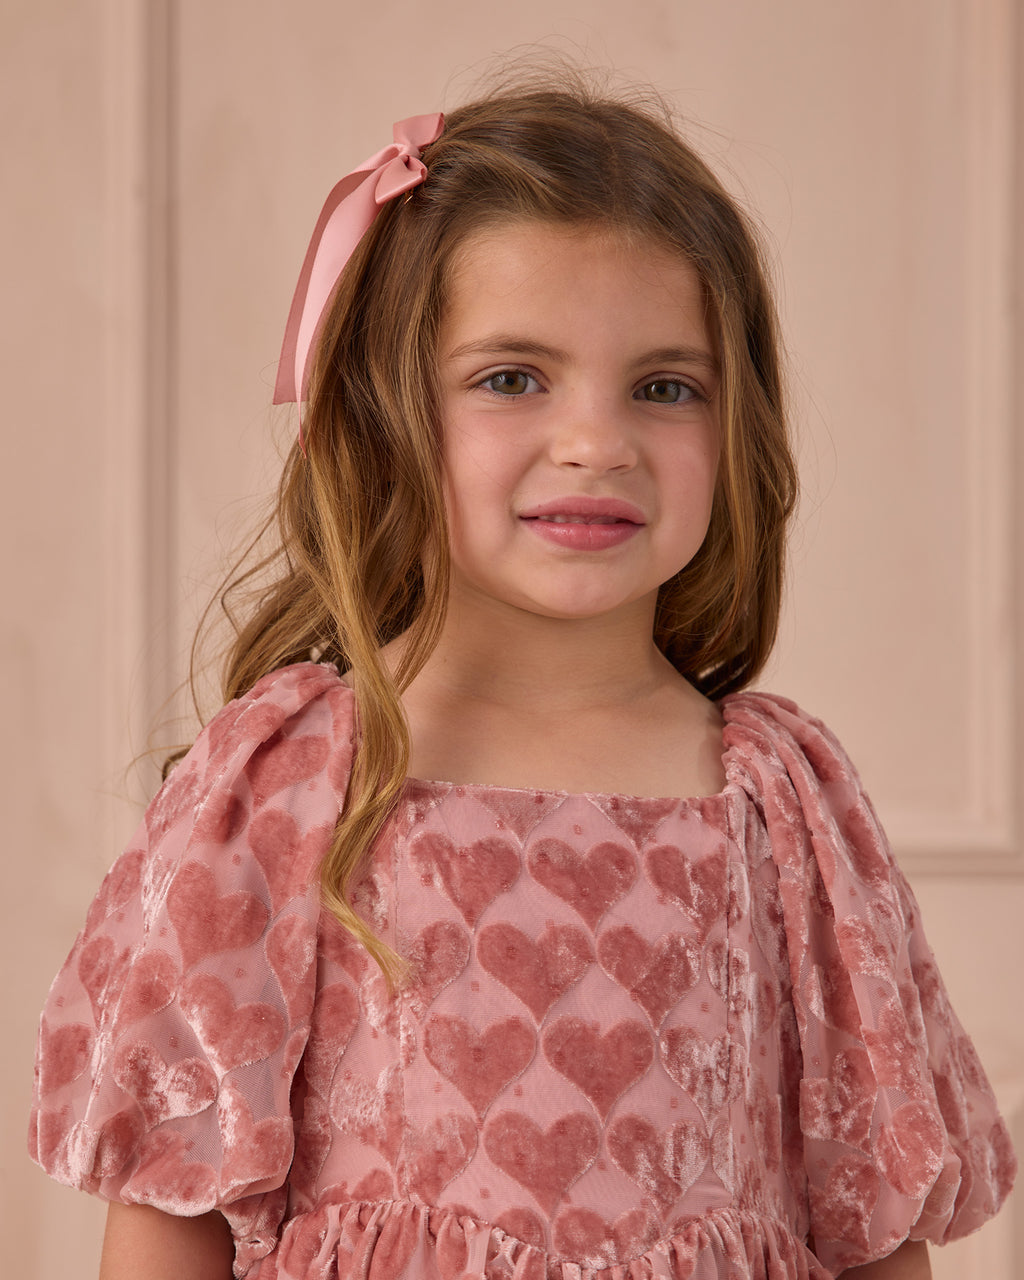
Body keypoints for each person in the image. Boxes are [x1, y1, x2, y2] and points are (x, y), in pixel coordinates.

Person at [30, 77, 1015, 1280]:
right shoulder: (288, 783)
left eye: (664, 386)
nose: (596, 439)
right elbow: (167, 1208)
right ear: (389, 413)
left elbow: (870, 1230)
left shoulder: (781, 798)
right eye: (512, 377)